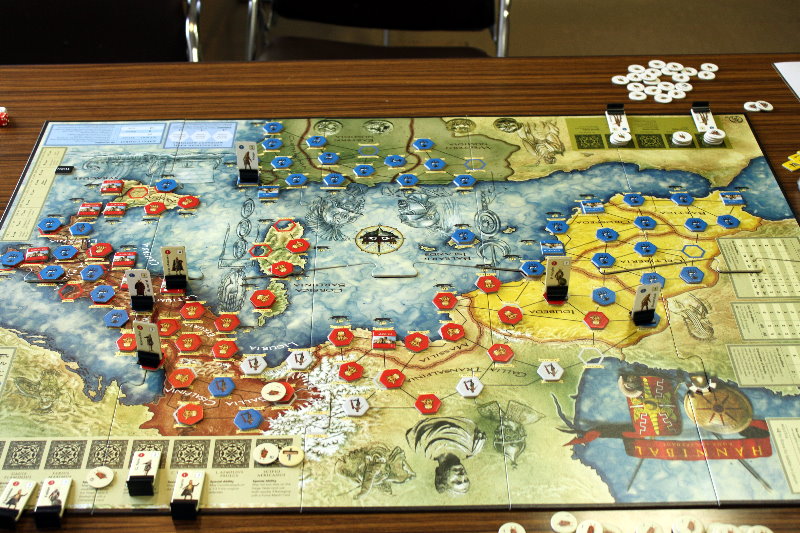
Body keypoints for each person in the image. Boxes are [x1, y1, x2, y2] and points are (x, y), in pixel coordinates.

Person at [405, 417, 485, 495]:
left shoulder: (419, 447)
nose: (462, 476)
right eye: (466, 479)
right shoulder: (474, 446)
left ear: (440, 478)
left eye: (457, 481)